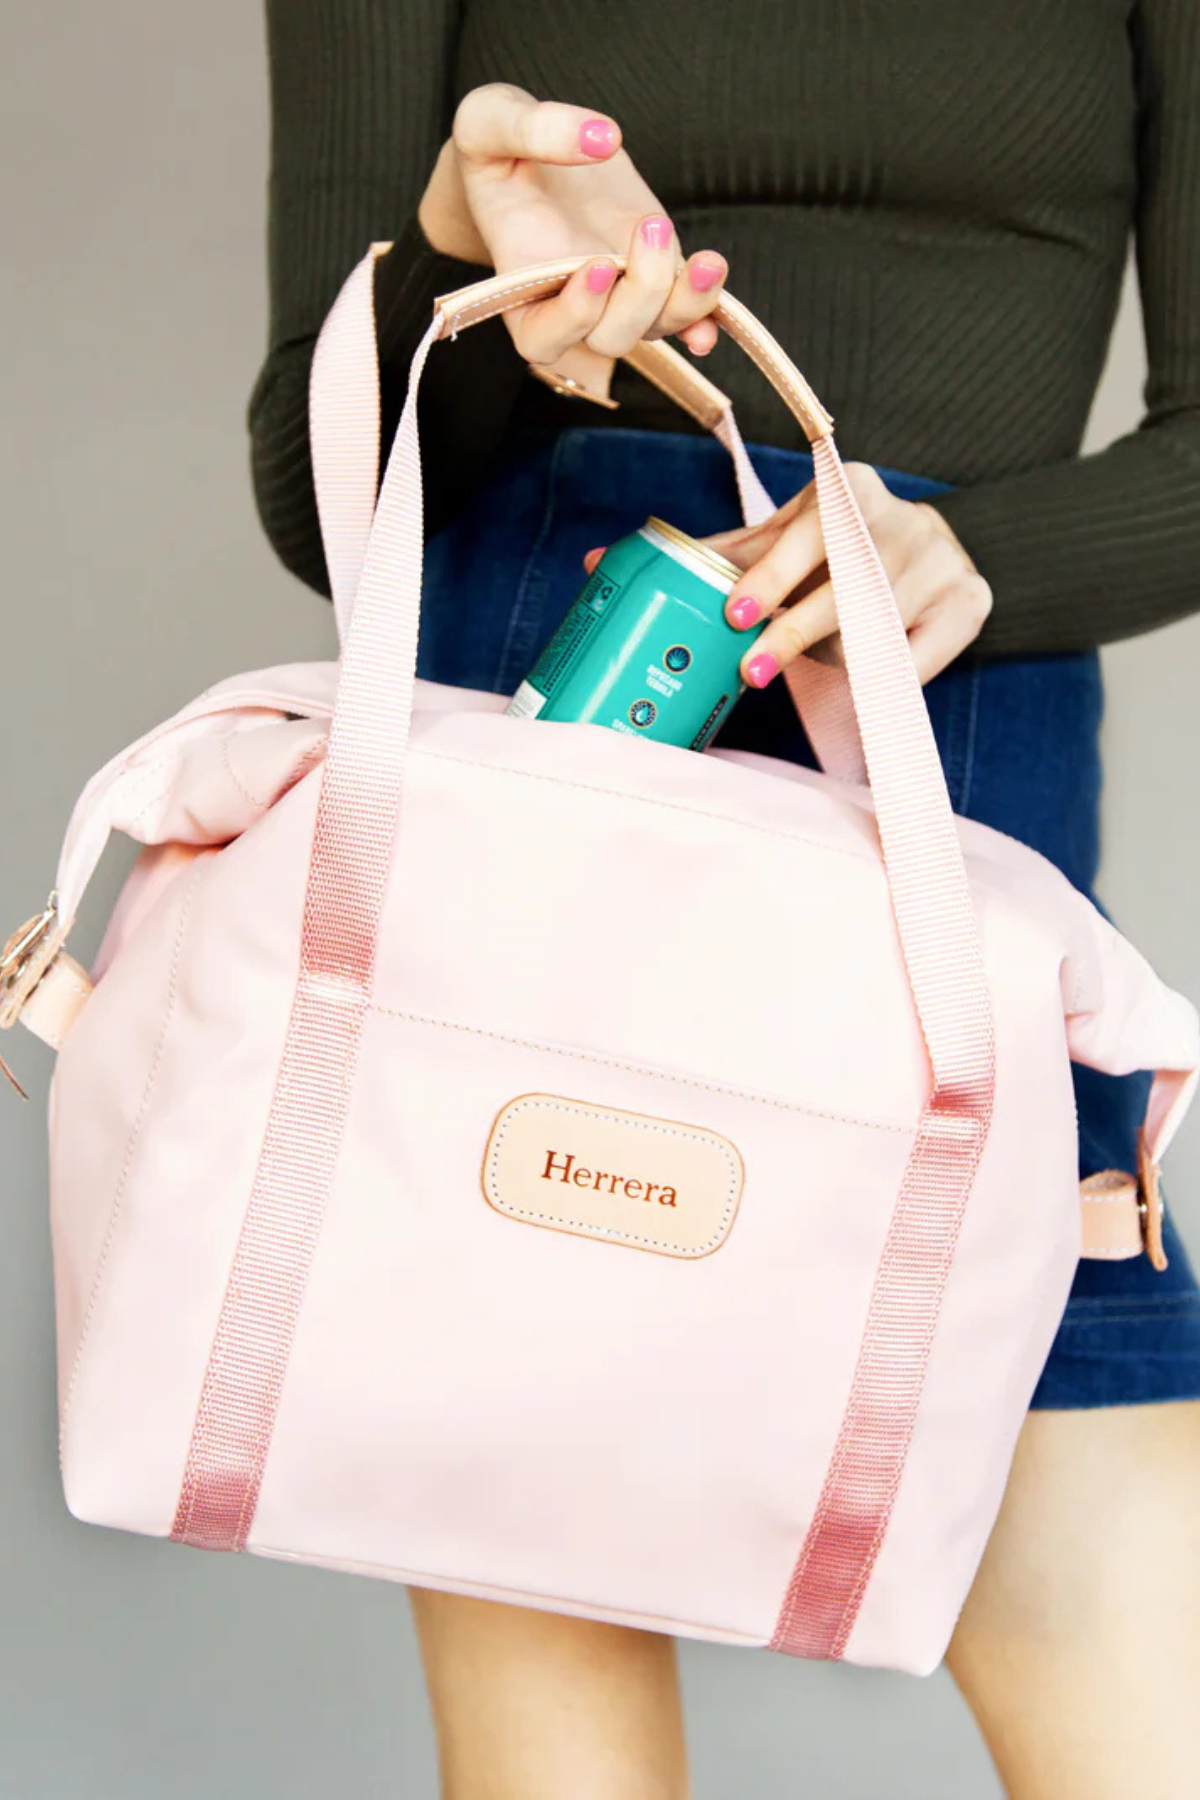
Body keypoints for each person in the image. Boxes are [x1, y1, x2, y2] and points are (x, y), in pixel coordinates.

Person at [249, 7, 1200, 1796]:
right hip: (546, 750)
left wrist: (979, 554)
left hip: (942, 750)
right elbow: (327, 491)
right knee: (556, 1747)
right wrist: (455, 258)